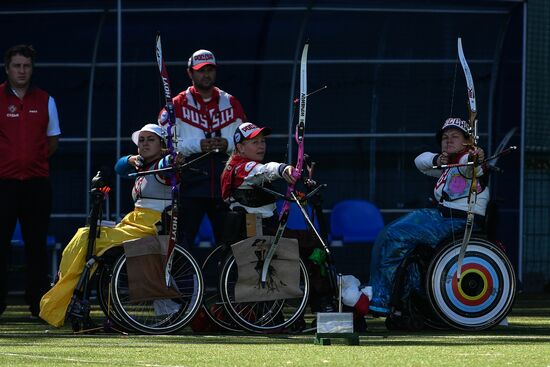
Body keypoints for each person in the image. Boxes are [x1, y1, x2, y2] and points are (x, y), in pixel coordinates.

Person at [39, 124, 176, 327]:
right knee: (85, 233)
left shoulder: (164, 168)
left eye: (151, 140)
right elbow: (119, 167)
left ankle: (68, 298)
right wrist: (131, 159)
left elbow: (169, 163)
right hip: (135, 223)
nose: (144, 144)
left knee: (88, 236)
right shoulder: (142, 165)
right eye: (142, 140)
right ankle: (67, 289)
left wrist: (172, 156)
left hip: (150, 227)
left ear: (163, 145)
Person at [367, 117, 487, 316]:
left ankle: (383, 298)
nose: (448, 140)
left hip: (456, 222)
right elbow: (419, 161)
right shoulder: (448, 163)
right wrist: (437, 159)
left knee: (394, 235)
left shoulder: (466, 163)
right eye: (445, 137)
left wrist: (476, 156)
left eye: (455, 137)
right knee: (390, 235)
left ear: (468, 141)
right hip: (442, 218)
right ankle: (406, 302)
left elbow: (473, 164)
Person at [158, 49, 247, 249]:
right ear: (190, 73)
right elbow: (164, 143)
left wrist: (228, 144)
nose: (206, 75)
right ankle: (183, 281)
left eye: (210, 70)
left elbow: (247, 139)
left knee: (231, 244)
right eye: (200, 70)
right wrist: (198, 145)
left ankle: (227, 281)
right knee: (182, 243)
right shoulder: (176, 105)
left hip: (225, 185)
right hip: (190, 185)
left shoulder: (231, 102)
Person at [0, 44, 61, 318]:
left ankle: (38, 304)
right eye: (17, 65)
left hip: (37, 184)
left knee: (36, 245)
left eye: (26, 66)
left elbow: (52, 142)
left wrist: (30, 161)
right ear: (7, 68)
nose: (22, 70)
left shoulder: (46, 99)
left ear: (32, 69)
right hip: (3, 184)